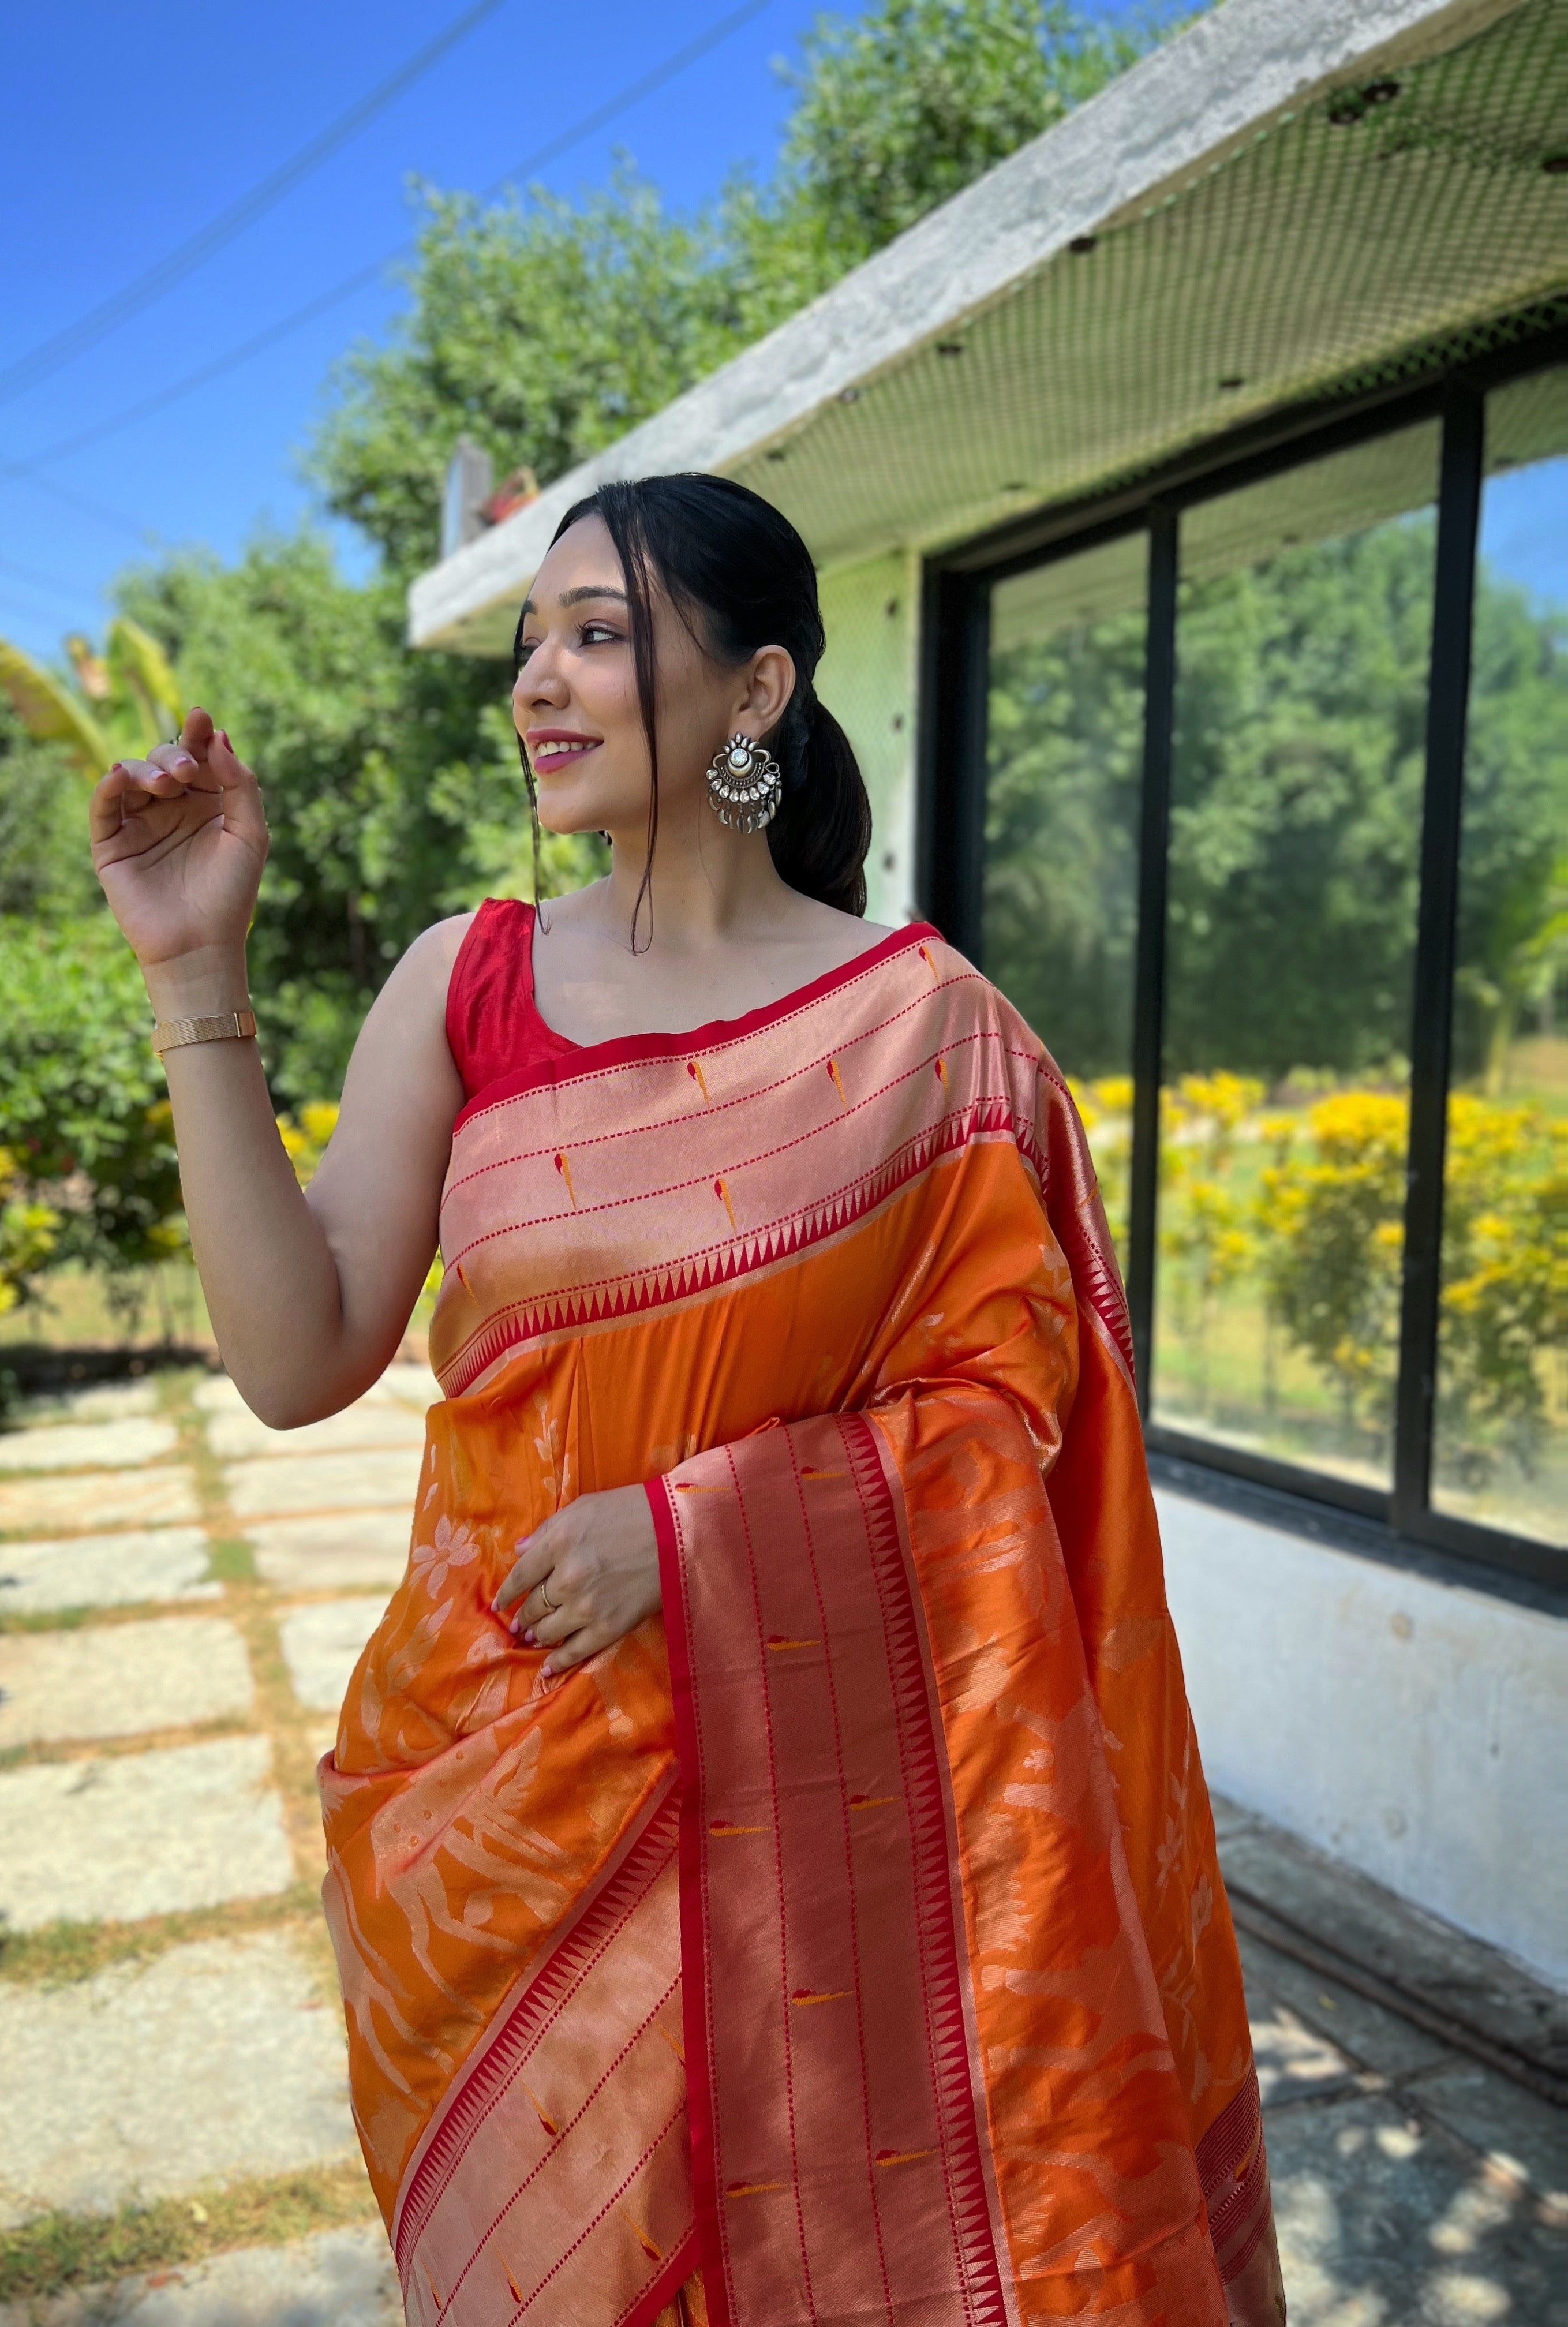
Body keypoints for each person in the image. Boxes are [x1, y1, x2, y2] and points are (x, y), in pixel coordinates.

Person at [92, 472, 1286, 2327]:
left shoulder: (925, 1033)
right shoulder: (470, 981)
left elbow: (1012, 1425)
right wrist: (194, 968)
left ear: (757, 691)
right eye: (527, 644)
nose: (538, 686)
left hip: (837, 1851)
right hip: (503, 1795)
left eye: (598, 635)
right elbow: (295, 1351)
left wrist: (704, 1532)